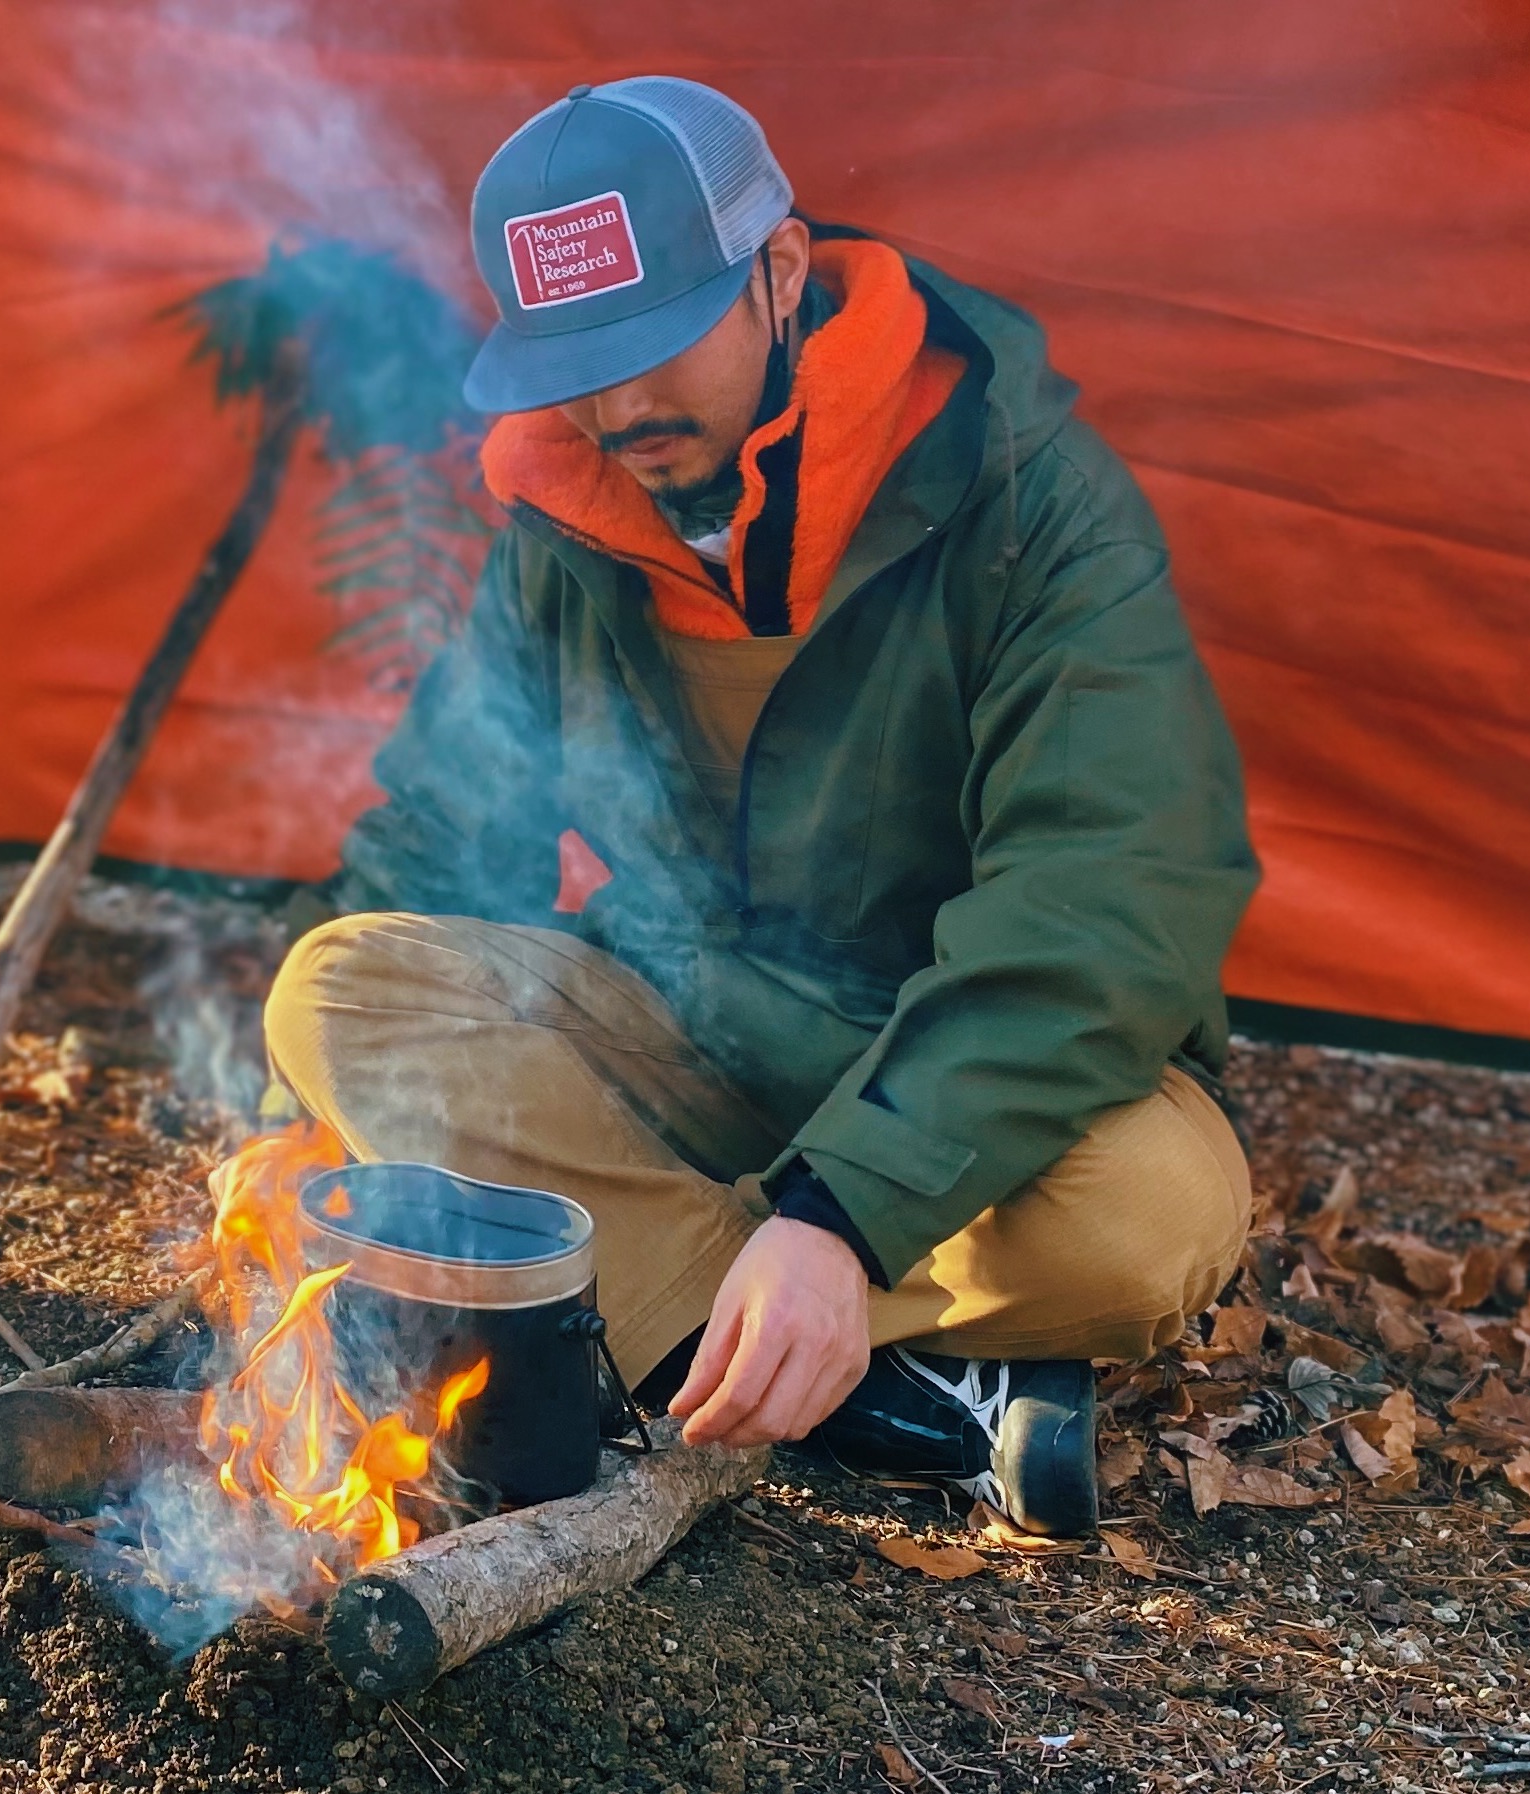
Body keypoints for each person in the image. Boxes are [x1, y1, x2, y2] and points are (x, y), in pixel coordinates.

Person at [263, 77, 1259, 1535]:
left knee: (1155, 1215)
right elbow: (447, 822)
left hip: (955, 1060)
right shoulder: (567, 511)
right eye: (572, 363)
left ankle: (695, 1311)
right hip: (684, 1025)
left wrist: (837, 1219)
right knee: (334, 994)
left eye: (655, 345)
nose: (615, 408)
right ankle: (898, 1381)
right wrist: (286, 1115)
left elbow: (1104, 898)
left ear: (778, 274)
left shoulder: (1027, 501)